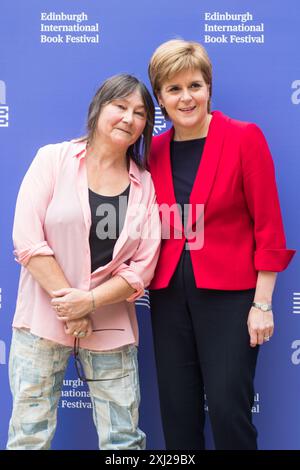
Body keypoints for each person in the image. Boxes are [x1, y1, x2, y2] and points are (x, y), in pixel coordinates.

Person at [147, 39, 295, 450]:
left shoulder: (245, 137)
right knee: (178, 417)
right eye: (174, 89)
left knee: (230, 413)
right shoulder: (153, 150)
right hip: (168, 300)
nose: (186, 97)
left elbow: (269, 227)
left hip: (231, 300)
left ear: (209, 88)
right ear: (159, 96)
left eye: (194, 85)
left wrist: (262, 304)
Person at [7, 74, 161, 450]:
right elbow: (27, 240)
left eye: (139, 112)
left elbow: (143, 266)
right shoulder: (53, 159)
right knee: (29, 435)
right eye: (120, 106)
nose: (129, 118)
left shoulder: (145, 184)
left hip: (111, 328)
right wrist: (71, 306)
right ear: (98, 108)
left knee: (123, 441)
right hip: (42, 323)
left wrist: (90, 303)